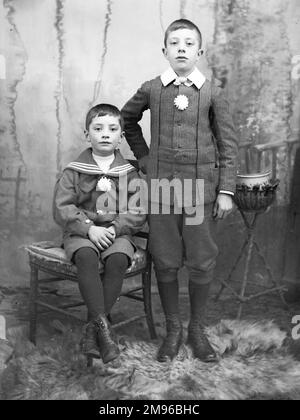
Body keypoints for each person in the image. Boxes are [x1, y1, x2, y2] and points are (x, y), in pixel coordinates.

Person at [121, 19, 239, 363]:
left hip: (200, 193)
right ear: (165, 51)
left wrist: (226, 190)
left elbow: (227, 143)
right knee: (167, 261)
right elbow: (128, 120)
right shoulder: (152, 89)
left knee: (201, 262)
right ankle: (173, 328)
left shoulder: (212, 93)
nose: (182, 49)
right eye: (175, 43)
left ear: (199, 52)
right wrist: (144, 157)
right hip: (161, 192)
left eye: (189, 44)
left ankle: (196, 329)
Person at [53, 103, 146, 364]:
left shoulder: (128, 172)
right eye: (98, 128)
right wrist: (88, 228)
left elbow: (138, 209)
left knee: (117, 260)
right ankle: (104, 333)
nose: (105, 134)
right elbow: (62, 207)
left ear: (121, 136)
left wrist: (116, 228)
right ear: (87, 134)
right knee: (85, 257)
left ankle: (92, 330)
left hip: (118, 231)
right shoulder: (75, 170)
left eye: (112, 129)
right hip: (83, 232)